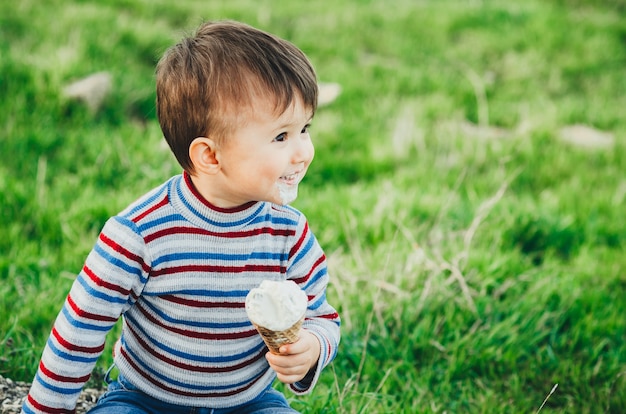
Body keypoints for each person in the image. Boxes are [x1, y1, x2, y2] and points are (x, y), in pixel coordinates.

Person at [22, 20, 341, 414]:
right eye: (281, 137)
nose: (303, 152)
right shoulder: (139, 233)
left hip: (249, 404)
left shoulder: (289, 233)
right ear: (209, 156)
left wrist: (310, 349)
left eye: (304, 129)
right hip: (145, 400)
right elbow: (80, 328)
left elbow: (322, 316)